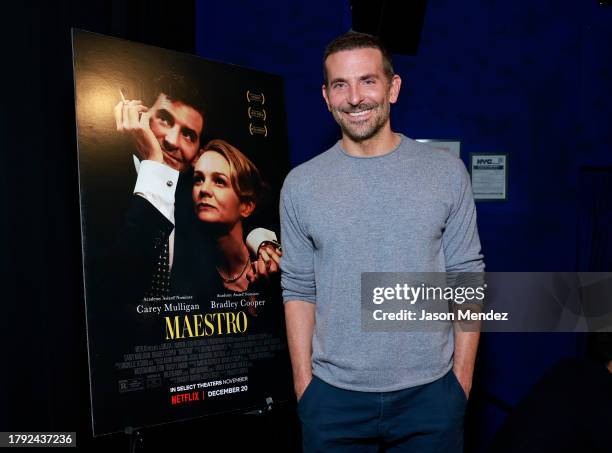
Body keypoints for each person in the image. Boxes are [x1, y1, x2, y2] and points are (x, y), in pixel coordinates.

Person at [280, 32, 484, 452]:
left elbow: (467, 276)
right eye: (341, 85)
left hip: (430, 398)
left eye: (368, 81)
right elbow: (298, 289)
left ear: (393, 87)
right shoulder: (300, 185)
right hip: (332, 401)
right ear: (326, 96)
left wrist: (459, 384)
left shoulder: (446, 174)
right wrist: (305, 387)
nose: (355, 98)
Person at [111, 74, 280, 299]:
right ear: (142, 116)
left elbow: (239, 217)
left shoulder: (194, 200)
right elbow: (122, 284)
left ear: (197, 156)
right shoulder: (102, 178)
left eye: (188, 135)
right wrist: (153, 163)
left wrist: (261, 242)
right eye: (164, 119)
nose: (171, 140)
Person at [190, 139, 280, 293]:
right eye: (198, 179)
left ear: (246, 206)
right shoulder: (189, 274)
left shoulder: (273, 260)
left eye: (219, 181)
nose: (203, 189)